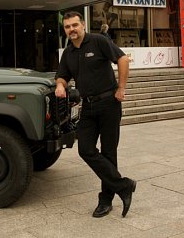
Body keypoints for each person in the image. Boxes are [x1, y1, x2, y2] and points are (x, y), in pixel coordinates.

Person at [55, 11, 135, 218]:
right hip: (88, 108)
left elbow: (123, 59)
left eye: (74, 25)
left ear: (82, 25)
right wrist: (60, 86)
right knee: (85, 149)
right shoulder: (69, 52)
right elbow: (62, 75)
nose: (71, 30)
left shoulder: (98, 41)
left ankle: (105, 201)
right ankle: (124, 186)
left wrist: (122, 88)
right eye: (67, 27)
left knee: (109, 154)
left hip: (109, 103)